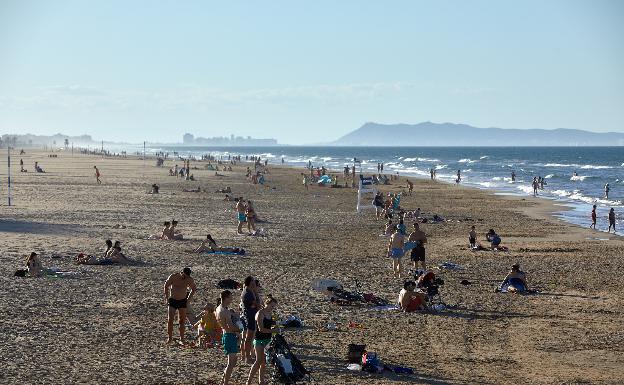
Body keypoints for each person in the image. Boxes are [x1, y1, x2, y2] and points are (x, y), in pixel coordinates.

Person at [246, 295, 279, 385]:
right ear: (266, 304)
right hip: (259, 339)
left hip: (267, 340)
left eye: (274, 307)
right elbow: (261, 329)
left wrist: (275, 326)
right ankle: (248, 381)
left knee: (263, 362)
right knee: (258, 361)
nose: (273, 308)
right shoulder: (260, 313)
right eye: (272, 306)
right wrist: (273, 330)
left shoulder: (270, 314)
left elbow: (270, 325)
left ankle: (261, 381)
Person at [163, 267, 197, 344]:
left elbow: (194, 289)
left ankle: (182, 338)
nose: (185, 278)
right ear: (181, 273)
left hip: (182, 301)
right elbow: (166, 285)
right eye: (184, 276)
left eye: (186, 276)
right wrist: (166, 297)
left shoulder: (189, 279)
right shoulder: (174, 276)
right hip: (173, 300)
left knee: (182, 321)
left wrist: (188, 300)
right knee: (170, 319)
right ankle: (170, 338)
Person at [215, 290, 240, 385]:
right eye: (230, 297)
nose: (232, 299)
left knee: (233, 361)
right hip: (229, 336)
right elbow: (231, 327)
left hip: (226, 335)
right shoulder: (225, 311)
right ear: (226, 298)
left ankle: (223, 380)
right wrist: (241, 329)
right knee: (231, 363)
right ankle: (225, 383)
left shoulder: (218, 308)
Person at [240, 276, 259, 364]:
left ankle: (247, 356)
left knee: (249, 338)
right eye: (253, 281)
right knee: (249, 337)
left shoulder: (248, 291)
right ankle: (247, 357)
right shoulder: (247, 292)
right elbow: (257, 304)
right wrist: (256, 292)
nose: (255, 283)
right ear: (250, 282)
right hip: (250, 317)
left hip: (250, 316)